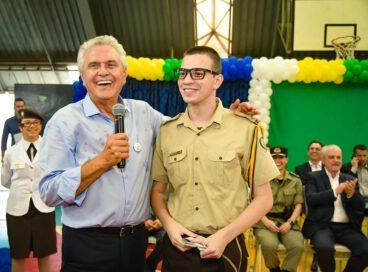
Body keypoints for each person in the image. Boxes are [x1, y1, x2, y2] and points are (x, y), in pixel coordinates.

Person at [38, 35, 258, 272]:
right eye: (94, 66)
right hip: (86, 245)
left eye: (111, 65)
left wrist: (225, 117)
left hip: (135, 243)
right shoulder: (65, 121)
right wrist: (101, 162)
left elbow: (188, 129)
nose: (103, 72)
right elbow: (48, 193)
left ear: (124, 75)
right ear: (83, 75)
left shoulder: (143, 113)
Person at [150, 45, 279, 272]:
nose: (187, 80)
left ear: (217, 81)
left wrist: (224, 236)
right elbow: (158, 193)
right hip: (178, 248)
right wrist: (169, 225)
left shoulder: (245, 129)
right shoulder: (167, 132)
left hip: (226, 248)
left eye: (198, 73)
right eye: (183, 73)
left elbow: (264, 198)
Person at [1, 108, 56, 272]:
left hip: (43, 207)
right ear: (20, 127)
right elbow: (5, 180)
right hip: (17, 209)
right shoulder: (11, 152)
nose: (31, 126)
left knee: (44, 254)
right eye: (27, 123)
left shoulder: (51, 149)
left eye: (35, 123)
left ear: (41, 126)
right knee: (18, 255)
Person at [302, 144, 368, 272]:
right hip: (322, 226)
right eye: (331, 157)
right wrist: (335, 191)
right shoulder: (312, 177)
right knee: (324, 249)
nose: (336, 160)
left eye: (338, 157)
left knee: (366, 250)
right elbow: (311, 199)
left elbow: (360, 206)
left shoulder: (350, 179)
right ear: (323, 160)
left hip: (347, 228)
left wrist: (351, 194)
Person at [254, 146, 304, 272]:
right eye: (274, 157)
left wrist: (290, 222)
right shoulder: (261, 179)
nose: (277, 160)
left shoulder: (295, 180)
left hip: (287, 222)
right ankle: (274, 269)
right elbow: (254, 204)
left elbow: (299, 204)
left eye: (281, 157)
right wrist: (266, 222)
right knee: (269, 245)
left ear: (286, 159)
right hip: (265, 221)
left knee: (297, 245)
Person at [294, 140, 323, 271]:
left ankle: (318, 254)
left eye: (317, 149)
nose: (314, 151)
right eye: (312, 148)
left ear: (322, 152)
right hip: (307, 205)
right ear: (308, 152)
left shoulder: (328, 167)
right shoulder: (300, 169)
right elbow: (300, 190)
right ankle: (318, 254)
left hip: (325, 205)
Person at [341, 144, 368, 212]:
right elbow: (347, 184)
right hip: (356, 202)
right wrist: (354, 168)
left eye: (364, 155)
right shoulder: (345, 167)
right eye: (359, 156)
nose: (362, 158)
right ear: (354, 155)